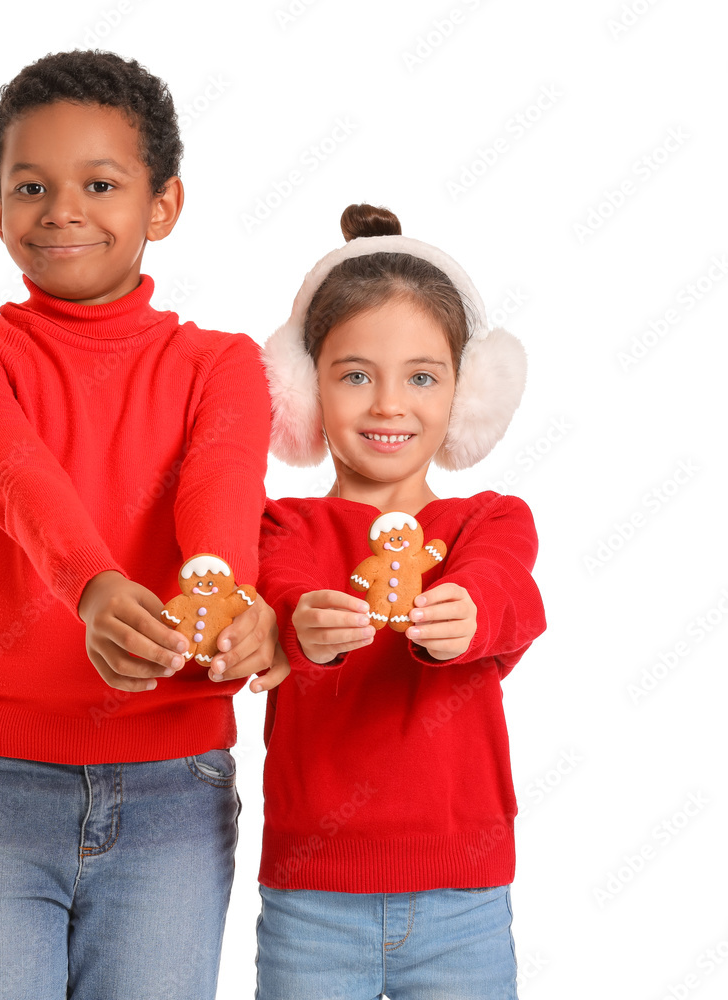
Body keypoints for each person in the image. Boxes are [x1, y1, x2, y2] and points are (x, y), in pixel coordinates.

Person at [0, 50, 286, 1000]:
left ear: (163, 206)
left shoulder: (223, 363)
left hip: (174, 786)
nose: (61, 209)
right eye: (29, 186)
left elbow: (222, 493)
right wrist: (94, 586)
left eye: (102, 183)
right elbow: (18, 482)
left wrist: (225, 600)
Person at [255, 203, 546, 999]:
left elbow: (509, 593)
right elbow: (277, 595)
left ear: (467, 392)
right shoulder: (282, 524)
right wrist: (297, 624)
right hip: (310, 902)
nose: (389, 405)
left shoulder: (489, 520)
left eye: (422, 376)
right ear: (304, 391)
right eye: (355, 375)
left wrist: (472, 615)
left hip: (465, 901)